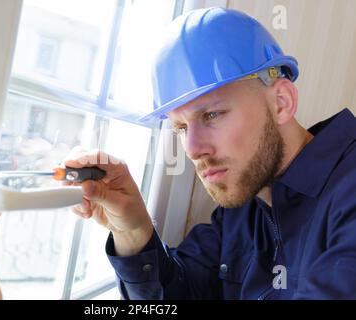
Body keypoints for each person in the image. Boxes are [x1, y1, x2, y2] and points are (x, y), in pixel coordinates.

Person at [67, 8, 356, 299]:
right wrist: (133, 230)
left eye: (213, 115)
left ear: (281, 102)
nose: (192, 149)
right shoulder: (240, 209)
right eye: (180, 128)